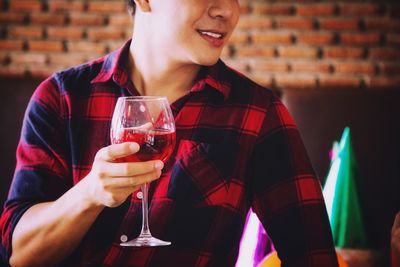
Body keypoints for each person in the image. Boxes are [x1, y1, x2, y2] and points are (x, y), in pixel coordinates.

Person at [0, 0, 339, 266]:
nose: (228, 10)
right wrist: (89, 194)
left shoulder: (259, 114)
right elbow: (19, 254)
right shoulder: (62, 98)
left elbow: (314, 255)